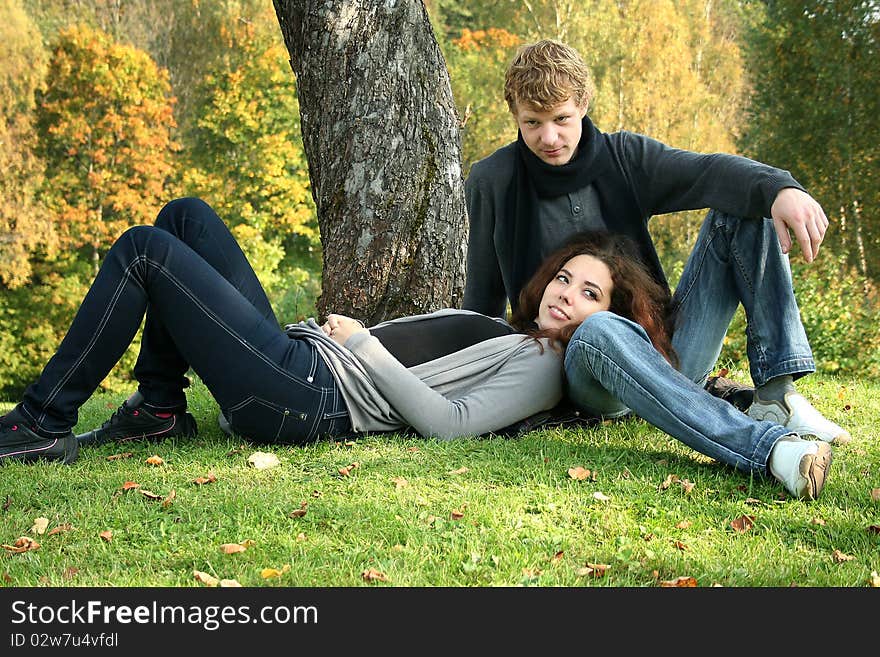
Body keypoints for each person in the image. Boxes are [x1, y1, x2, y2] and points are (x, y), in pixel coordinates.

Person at [0, 198, 624, 466]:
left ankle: (40, 422)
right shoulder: (511, 333)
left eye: (589, 294)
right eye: (565, 279)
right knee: (184, 220)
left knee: (145, 252)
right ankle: (158, 409)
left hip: (311, 398)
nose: (566, 295)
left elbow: (451, 424)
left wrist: (361, 345)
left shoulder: (546, 366)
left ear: (610, 322)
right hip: (302, 361)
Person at [463, 38, 850, 446]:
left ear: (584, 106)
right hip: (575, 371)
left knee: (745, 209)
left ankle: (776, 394)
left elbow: (708, 173)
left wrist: (779, 188)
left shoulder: (625, 158)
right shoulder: (493, 180)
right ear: (515, 116)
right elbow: (482, 296)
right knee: (598, 330)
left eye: (562, 119)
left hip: (663, 351)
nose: (549, 137)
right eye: (532, 123)